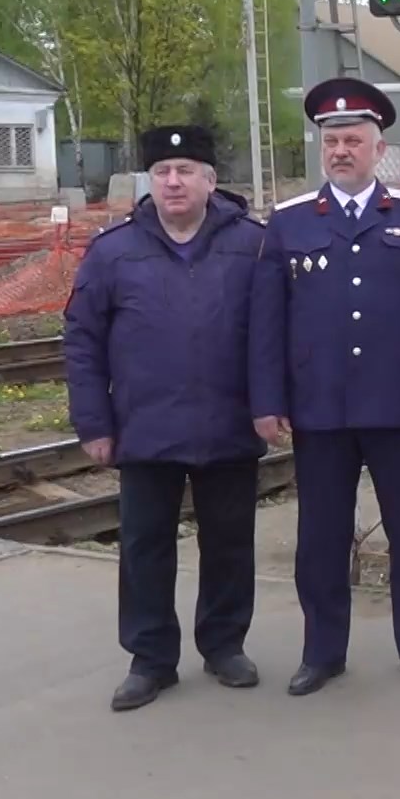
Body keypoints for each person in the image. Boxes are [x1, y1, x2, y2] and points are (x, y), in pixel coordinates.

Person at [249, 78, 400, 697]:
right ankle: (322, 652)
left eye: (353, 140)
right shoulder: (291, 221)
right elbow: (266, 322)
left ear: (380, 149)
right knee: (320, 536)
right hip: (318, 408)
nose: (341, 150)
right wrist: (267, 401)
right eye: (331, 141)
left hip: (398, 403)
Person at [64, 125, 268, 712]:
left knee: (230, 543)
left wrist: (273, 407)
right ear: (149, 181)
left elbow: (278, 335)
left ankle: (225, 644)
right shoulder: (113, 251)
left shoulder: (251, 246)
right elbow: (82, 340)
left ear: (210, 180)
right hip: (144, 428)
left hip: (229, 425)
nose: (172, 181)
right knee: (145, 546)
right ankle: (151, 659)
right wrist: (93, 423)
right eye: (162, 172)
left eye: (184, 170)